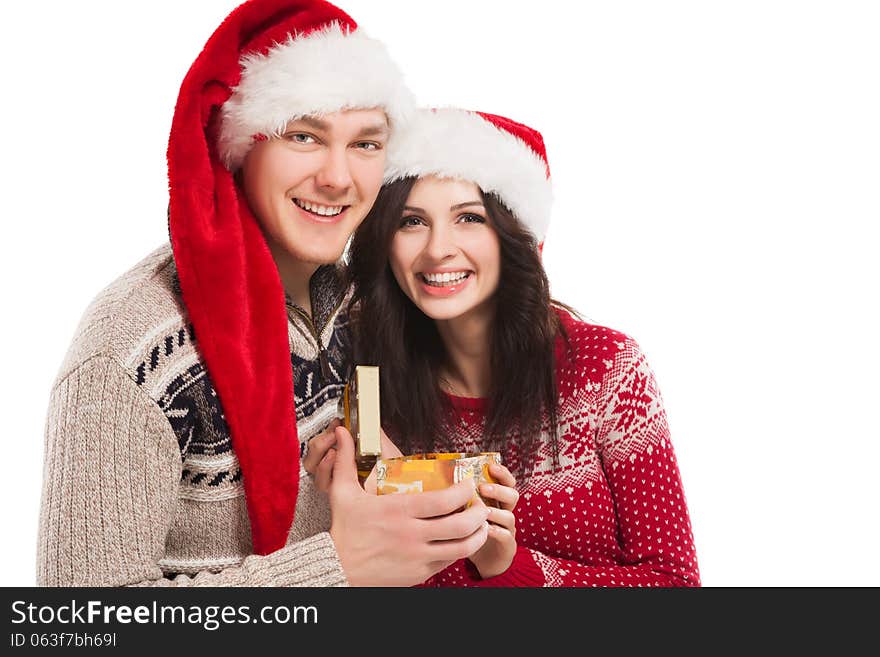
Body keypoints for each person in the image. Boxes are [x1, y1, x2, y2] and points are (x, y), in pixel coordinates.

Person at [36, 0, 491, 587]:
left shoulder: (354, 307)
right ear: (243, 145)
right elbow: (81, 628)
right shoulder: (127, 358)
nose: (338, 177)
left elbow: (369, 460)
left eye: (366, 144)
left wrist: (436, 493)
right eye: (304, 135)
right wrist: (336, 570)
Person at [344, 107, 701, 586]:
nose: (437, 250)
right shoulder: (364, 388)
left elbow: (675, 583)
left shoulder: (607, 371)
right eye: (411, 222)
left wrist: (507, 566)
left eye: (469, 218)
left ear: (514, 236)